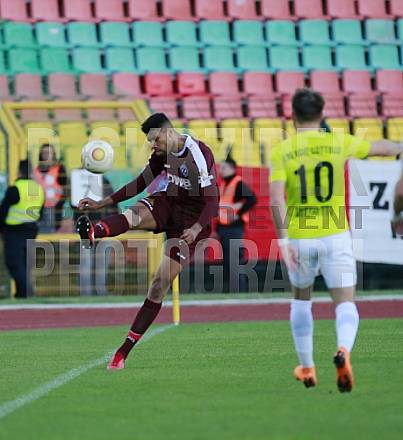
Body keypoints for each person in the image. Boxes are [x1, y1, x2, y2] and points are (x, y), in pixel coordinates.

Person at [269, 89, 403, 392]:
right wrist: (400, 145)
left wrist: (283, 241)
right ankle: (343, 350)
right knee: (345, 303)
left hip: (301, 238)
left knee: (301, 300)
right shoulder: (338, 141)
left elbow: (276, 199)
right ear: (322, 114)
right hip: (336, 235)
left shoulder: (282, 151)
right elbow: (379, 147)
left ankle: (307, 368)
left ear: (292, 116)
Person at [76, 113, 219, 369]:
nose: (153, 145)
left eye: (155, 140)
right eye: (150, 141)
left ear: (168, 133)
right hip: (168, 203)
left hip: (192, 222)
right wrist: (102, 203)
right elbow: (141, 182)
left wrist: (196, 228)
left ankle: (122, 352)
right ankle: (94, 232)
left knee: (158, 285)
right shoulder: (162, 153)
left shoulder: (198, 154)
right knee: (134, 214)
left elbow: (212, 200)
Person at [0, 160, 45, 298]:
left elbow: (3, 211)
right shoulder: (38, 189)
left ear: (19, 171)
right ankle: (22, 293)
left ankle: (26, 292)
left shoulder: (15, 189)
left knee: (13, 263)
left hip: (14, 230)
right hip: (32, 230)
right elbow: (40, 212)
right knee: (24, 264)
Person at [217, 156, 257, 292]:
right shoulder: (224, 184)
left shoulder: (238, 183)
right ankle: (232, 290)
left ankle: (239, 290)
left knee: (234, 261)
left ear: (232, 168)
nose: (221, 170)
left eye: (224, 168)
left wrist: (238, 214)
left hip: (234, 228)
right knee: (228, 261)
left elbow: (252, 199)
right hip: (224, 227)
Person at [34, 143, 67, 231]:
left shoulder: (59, 168)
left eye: (48, 152)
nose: (46, 155)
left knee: (50, 232)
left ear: (53, 154)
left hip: (54, 207)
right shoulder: (36, 170)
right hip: (38, 207)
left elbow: (65, 188)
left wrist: (59, 204)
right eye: (44, 152)